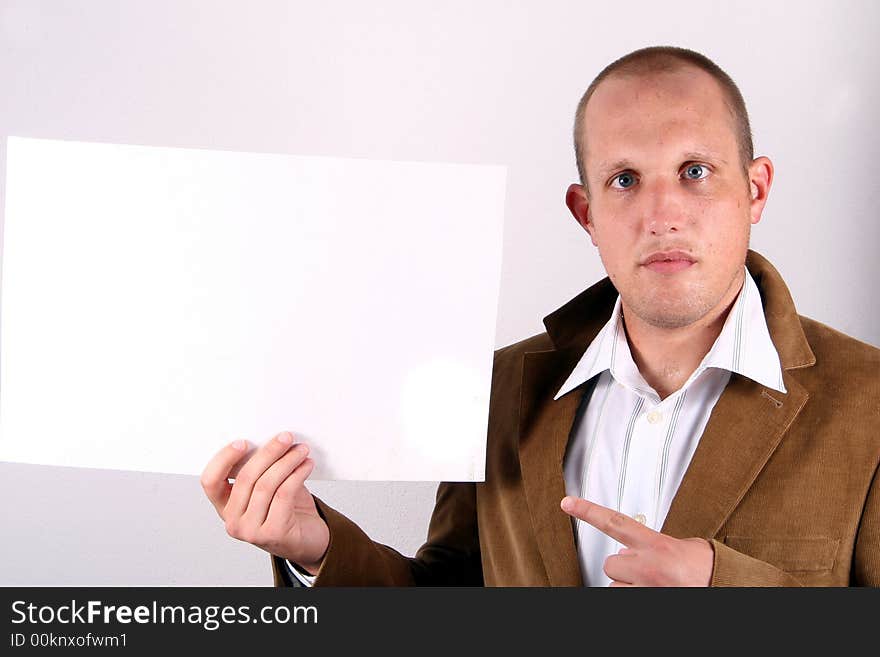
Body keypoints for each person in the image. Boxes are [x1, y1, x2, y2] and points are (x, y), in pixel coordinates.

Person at [200, 46, 880, 586]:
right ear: (585, 212)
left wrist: (722, 586)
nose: (663, 213)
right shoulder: (500, 389)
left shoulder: (869, 400)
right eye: (624, 179)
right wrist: (314, 547)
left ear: (754, 189)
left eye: (696, 170)